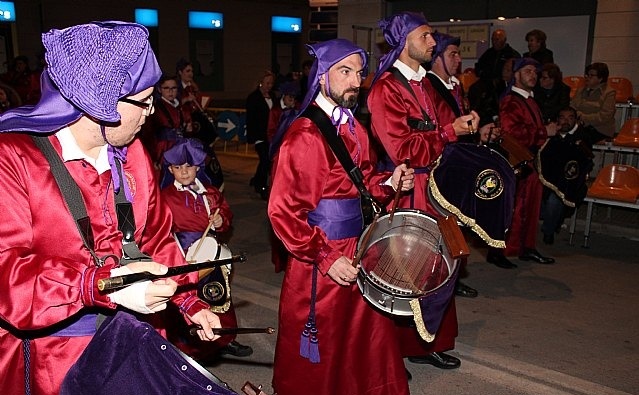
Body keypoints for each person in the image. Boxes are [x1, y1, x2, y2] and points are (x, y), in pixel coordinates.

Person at [0, 21, 222, 395]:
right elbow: (8, 274)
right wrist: (101, 286)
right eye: (143, 100)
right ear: (99, 101)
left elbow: (155, 237)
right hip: (52, 357)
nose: (151, 112)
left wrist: (189, 300)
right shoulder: (13, 159)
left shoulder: (132, 153)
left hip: (134, 342)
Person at [268, 38, 414, 395]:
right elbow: (283, 212)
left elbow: (362, 184)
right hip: (322, 257)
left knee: (363, 338)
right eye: (344, 72)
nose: (355, 81)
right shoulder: (305, 136)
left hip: (359, 248)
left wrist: (389, 181)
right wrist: (325, 257)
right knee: (327, 343)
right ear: (321, 77)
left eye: (359, 73)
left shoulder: (353, 126)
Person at [367, 11, 491, 372]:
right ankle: (391, 353)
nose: (433, 43)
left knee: (439, 268)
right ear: (404, 42)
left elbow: (442, 133)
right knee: (402, 274)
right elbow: (401, 150)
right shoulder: (385, 88)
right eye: (425, 37)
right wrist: (450, 132)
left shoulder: (427, 84)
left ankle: (425, 342)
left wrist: (468, 129)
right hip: (406, 190)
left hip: (435, 188)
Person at [160, 138, 253, 360]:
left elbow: (226, 214)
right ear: (170, 169)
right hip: (185, 254)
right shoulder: (165, 197)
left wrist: (222, 221)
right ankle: (189, 348)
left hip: (214, 252)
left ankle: (225, 339)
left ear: (198, 167)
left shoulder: (210, 192)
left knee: (220, 296)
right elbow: (160, 229)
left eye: (189, 167)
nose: (183, 172)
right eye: (178, 167)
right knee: (190, 299)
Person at [425, 31, 479, 298]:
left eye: (458, 53)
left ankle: (453, 276)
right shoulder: (429, 87)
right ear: (436, 59)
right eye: (452, 54)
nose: (459, 59)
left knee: (457, 223)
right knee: (444, 224)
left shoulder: (456, 86)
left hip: (458, 160)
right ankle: (442, 278)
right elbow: (435, 128)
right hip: (441, 162)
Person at [497, 57, 555, 264]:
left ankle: (527, 247)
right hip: (517, 161)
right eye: (528, 71)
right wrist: (543, 131)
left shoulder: (530, 100)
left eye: (535, 72)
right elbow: (511, 133)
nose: (533, 75)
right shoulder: (511, 101)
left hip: (531, 161)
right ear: (517, 74)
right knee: (516, 207)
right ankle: (504, 250)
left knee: (531, 206)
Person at [538, 106, 596, 245]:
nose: (566, 121)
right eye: (562, 117)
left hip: (569, 182)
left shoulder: (583, 138)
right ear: (557, 120)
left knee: (554, 200)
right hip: (546, 178)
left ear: (575, 120)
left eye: (570, 118)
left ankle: (548, 231)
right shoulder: (550, 136)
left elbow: (585, 161)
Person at [140, 74, 192, 168]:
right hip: (163, 153)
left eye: (173, 88)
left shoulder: (180, 107)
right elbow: (148, 135)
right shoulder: (155, 108)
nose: (170, 91)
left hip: (179, 149)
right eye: (166, 88)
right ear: (160, 90)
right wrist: (154, 157)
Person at [246, 70, 276, 200]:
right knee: (265, 160)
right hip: (259, 135)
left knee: (267, 161)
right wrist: (252, 137)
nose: (269, 85)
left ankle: (257, 179)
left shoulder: (273, 96)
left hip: (271, 135)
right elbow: (250, 119)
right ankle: (261, 185)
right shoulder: (253, 98)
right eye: (267, 82)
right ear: (261, 83)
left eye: (271, 83)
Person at [571, 62, 617, 138]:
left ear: (600, 78)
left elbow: (604, 116)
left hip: (600, 130)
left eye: (591, 75)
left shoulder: (609, 93)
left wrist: (582, 116)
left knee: (578, 138)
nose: (587, 77)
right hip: (580, 127)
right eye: (587, 74)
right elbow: (572, 107)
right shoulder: (580, 90)